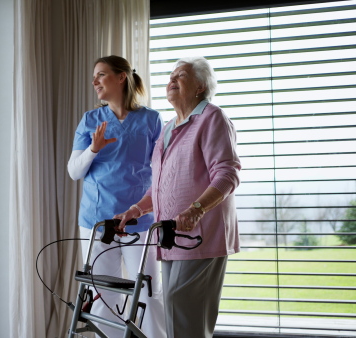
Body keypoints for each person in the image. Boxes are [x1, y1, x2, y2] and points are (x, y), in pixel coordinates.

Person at [114, 56, 241, 338]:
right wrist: (134, 210)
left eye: (180, 76)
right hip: (171, 237)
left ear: (199, 86)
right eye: (171, 75)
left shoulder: (212, 118)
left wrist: (197, 208)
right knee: (176, 313)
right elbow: (160, 186)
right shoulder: (169, 127)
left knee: (184, 314)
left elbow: (227, 174)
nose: (171, 80)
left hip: (200, 235)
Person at [68, 55, 166, 337]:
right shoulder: (91, 120)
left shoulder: (151, 119)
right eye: (94, 76)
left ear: (121, 77)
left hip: (141, 219)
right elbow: (75, 171)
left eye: (101, 74)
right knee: (103, 295)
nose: (94, 81)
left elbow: (159, 172)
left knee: (148, 291)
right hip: (98, 220)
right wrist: (94, 148)